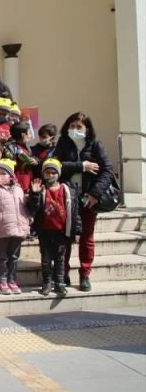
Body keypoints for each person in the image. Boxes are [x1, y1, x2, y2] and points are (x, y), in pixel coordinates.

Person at [53, 112, 114, 292]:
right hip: (67, 196)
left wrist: (95, 194)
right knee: (65, 237)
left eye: (79, 127)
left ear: (87, 129)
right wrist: (81, 166)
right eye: (72, 126)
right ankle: (63, 273)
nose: (75, 130)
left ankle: (85, 274)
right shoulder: (63, 144)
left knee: (86, 237)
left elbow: (107, 171)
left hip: (89, 198)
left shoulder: (95, 146)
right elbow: (54, 165)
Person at [27, 159, 83, 296]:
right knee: (46, 258)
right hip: (45, 230)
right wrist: (34, 194)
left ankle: (59, 283)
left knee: (60, 258)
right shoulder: (40, 190)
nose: (50, 175)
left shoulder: (67, 190)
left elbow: (75, 212)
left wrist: (77, 230)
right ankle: (46, 282)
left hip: (61, 231)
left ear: (58, 174)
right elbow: (32, 209)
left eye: (53, 172)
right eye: (47, 172)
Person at [0, 159, 31, 295]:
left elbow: (24, 207)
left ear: (11, 175)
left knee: (13, 257)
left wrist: (28, 221)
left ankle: (12, 280)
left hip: (18, 229)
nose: (1, 176)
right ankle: (1, 281)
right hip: (1, 229)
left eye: (4, 173)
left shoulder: (19, 189)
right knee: (1, 257)